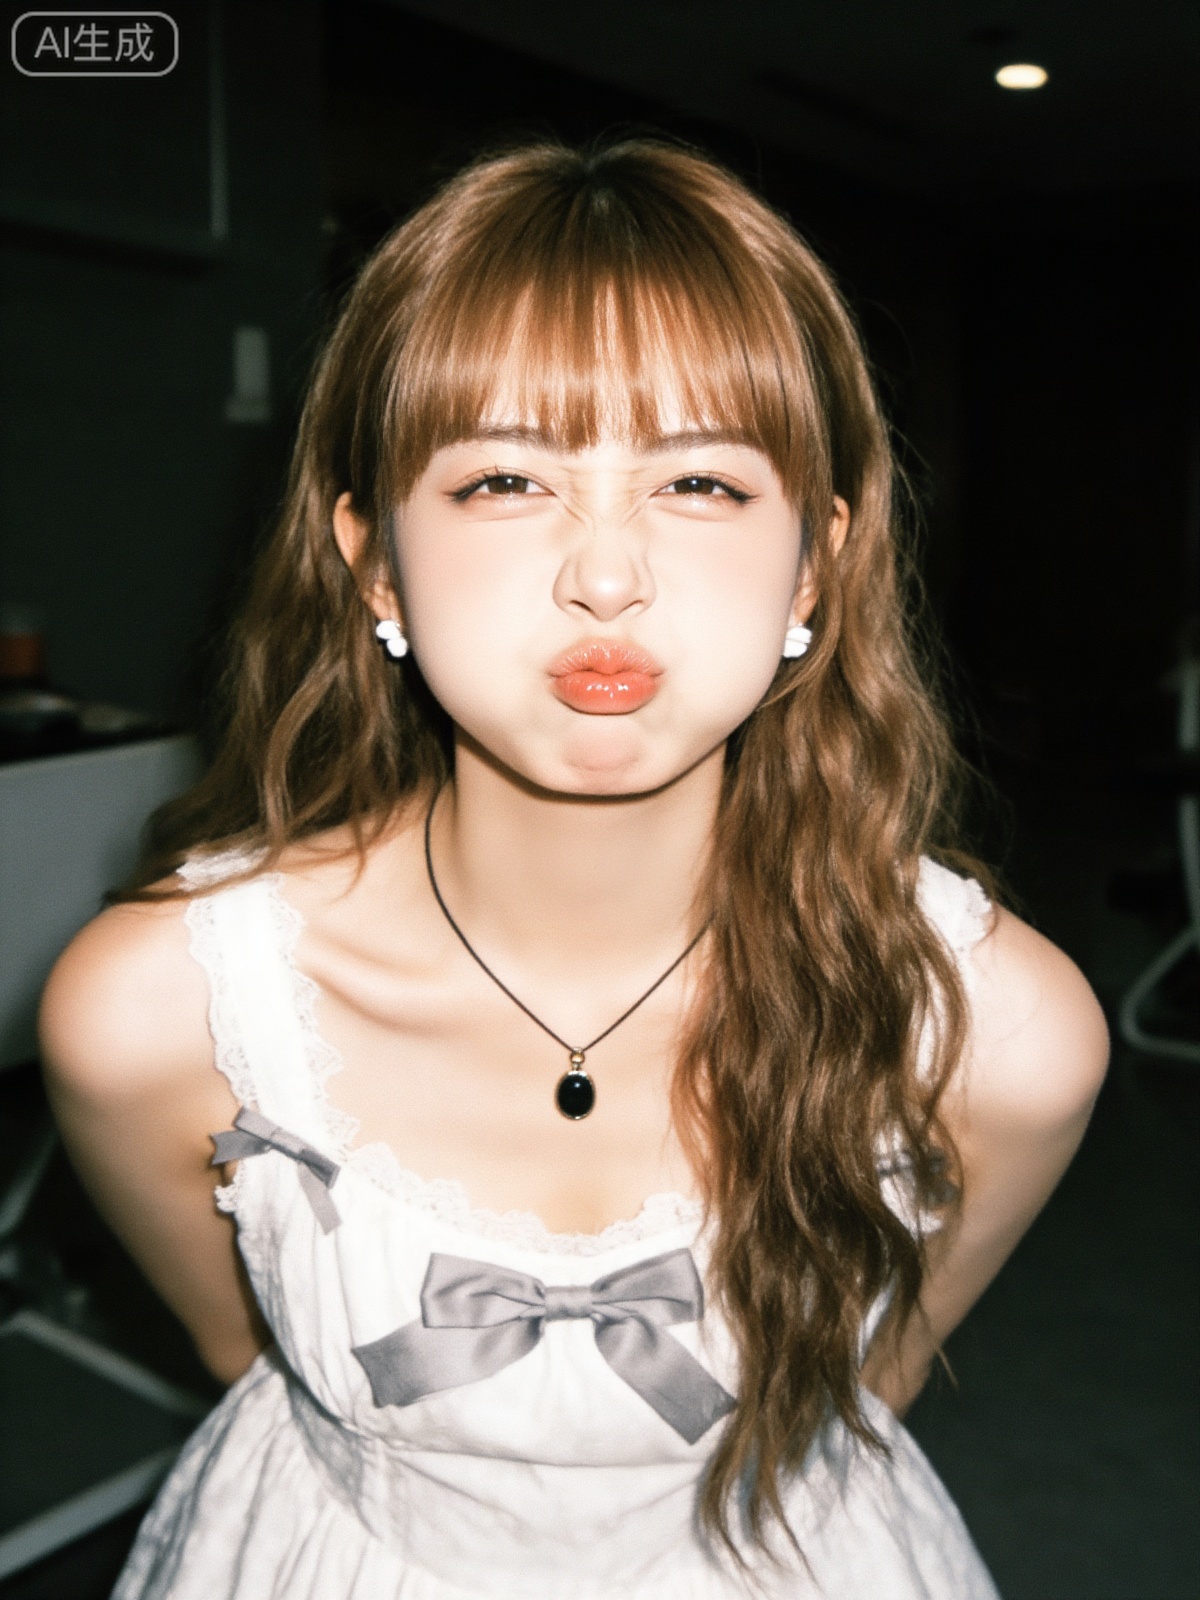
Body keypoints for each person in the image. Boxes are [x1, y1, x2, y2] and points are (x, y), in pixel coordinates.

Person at [40, 140, 1108, 1599]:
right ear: (373, 559)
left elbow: (873, 1387)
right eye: (504, 478)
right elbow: (246, 1357)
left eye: (701, 482)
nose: (606, 576)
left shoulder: (1004, 1034)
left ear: (813, 565)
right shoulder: (157, 1014)